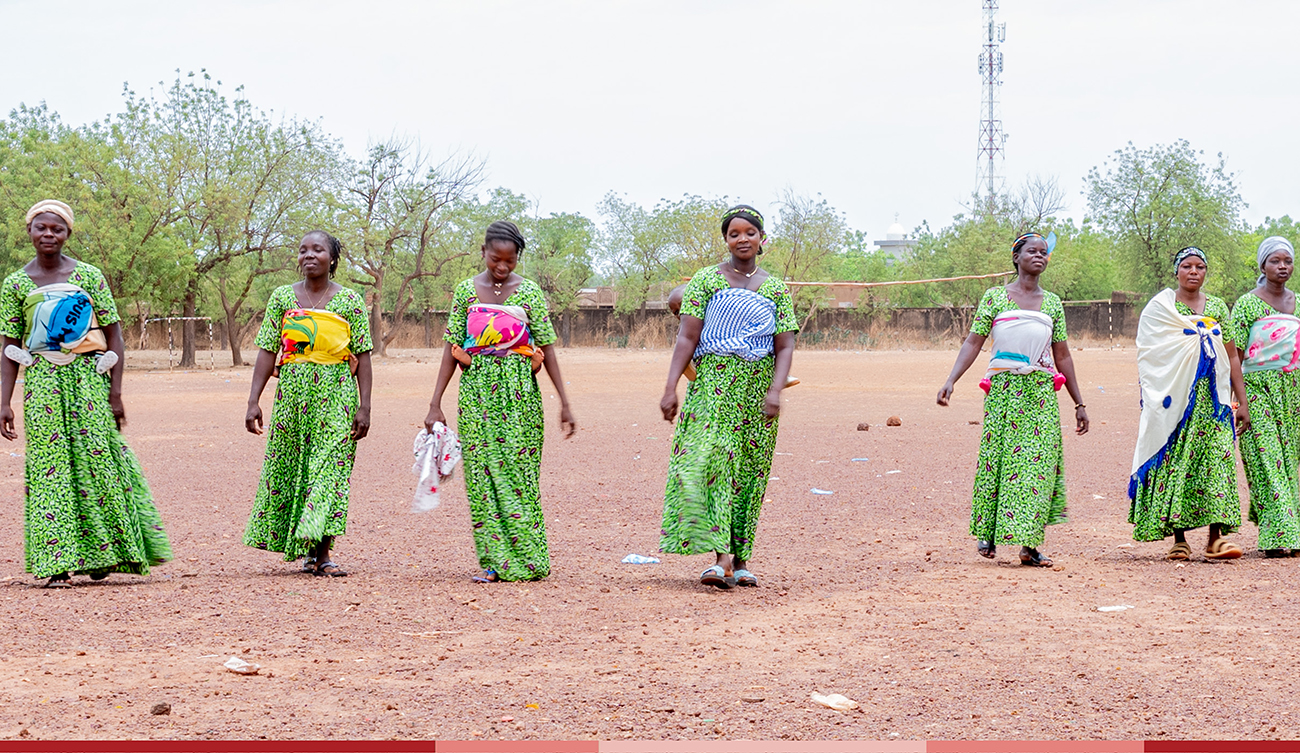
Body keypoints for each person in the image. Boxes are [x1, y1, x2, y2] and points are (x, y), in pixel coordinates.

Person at [0, 199, 171, 587]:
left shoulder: (89, 276)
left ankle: (104, 554)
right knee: (50, 467)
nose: (48, 235)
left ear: (68, 234)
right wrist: (4, 401)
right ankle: (57, 563)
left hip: (88, 379)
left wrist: (115, 394)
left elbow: (114, 337)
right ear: (29, 231)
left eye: (56, 229)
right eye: (41, 228)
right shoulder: (15, 283)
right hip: (42, 382)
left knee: (98, 462)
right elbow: (9, 346)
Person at [424, 220, 575, 582]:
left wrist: (564, 403)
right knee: (482, 475)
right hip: (477, 392)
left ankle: (528, 560)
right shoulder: (466, 292)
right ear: (483, 253)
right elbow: (451, 348)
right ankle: (493, 563)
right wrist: (435, 402)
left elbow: (548, 349)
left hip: (519, 392)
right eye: (495, 259)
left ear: (518, 258)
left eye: (510, 261)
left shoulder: (531, 293)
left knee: (518, 475)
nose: (502, 267)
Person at [659, 205, 798, 589]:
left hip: (756, 388)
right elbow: (686, 337)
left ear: (762, 239)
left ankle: (739, 560)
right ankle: (718, 556)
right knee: (707, 462)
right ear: (725, 240)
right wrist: (670, 387)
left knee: (749, 471)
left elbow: (784, 346)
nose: (742, 239)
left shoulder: (775, 289)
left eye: (750, 233)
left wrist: (774, 390)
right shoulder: (706, 281)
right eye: (734, 233)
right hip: (712, 385)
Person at [937, 232, 1089, 567]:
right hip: (1004, 393)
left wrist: (1079, 402)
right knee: (999, 460)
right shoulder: (994, 298)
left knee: (1037, 468)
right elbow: (973, 343)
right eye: (1032, 251)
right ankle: (989, 533)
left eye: (1044, 252)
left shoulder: (1052, 304)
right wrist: (951, 381)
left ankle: (1029, 547)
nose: (1039, 256)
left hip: (1039, 395)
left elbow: (1062, 355)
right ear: (1016, 257)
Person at [243, 231, 373, 576]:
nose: (309, 255)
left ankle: (324, 552)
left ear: (333, 258)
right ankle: (309, 549)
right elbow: (268, 350)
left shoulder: (350, 301)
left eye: (318, 249)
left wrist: (365, 406)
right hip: (293, 400)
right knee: (298, 469)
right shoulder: (283, 297)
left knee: (329, 470)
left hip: (338, 397)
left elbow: (363, 355)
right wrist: (253, 400)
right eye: (303, 250)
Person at [1130, 247, 1249, 561]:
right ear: (1176, 271)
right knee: (1177, 462)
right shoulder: (1162, 308)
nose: (1194, 272)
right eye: (1187, 266)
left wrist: (1242, 400)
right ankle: (1179, 539)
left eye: (1200, 266)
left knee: (1217, 462)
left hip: (1215, 401)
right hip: (1176, 402)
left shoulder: (1218, 307)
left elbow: (1232, 355)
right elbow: (1150, 354)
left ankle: (1216, 538)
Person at [1231, 236, 1300, 557]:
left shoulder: (1298, 302)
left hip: (1293, 394)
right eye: (1275, 261)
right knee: (1265, 459)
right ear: (1263, 265)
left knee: (1288, 463)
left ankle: (1287, 527)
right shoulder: (1246, 304)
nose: (1282, 266)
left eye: (1287, 261)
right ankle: (1280, 536)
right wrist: (1238, 401)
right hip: (1256, 391)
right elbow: (1236, 356)